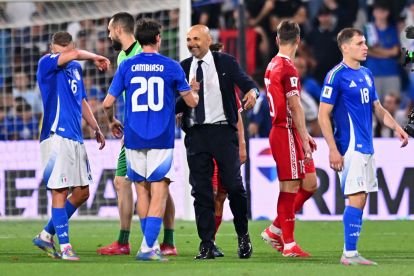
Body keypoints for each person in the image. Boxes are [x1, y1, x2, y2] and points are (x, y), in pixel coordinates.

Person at [103, 18, 199, 261]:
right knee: (160, 192)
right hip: (161, 138)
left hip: (133, 138)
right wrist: (193, 91)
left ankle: (149, 245)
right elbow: (191, 102)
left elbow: (106, 103)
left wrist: (112, 120)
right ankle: (148, 247)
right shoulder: (172, 66)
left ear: (138, 38)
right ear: (158, 38)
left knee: (142, 192)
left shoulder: (126, 65)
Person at [318, 27, 408, 266]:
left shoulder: (367, 73)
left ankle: (351, 252)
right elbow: (322, 115)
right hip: (349, 147)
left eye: (365, 42)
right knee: (356, 197)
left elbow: (377, 107)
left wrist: (396, 127)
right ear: (345, 47)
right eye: (360, 43)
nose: (366, 47)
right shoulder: (336, 75)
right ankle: (349, 255)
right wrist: (332, 149)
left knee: (361, 198)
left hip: (367, 146)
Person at [180, 24, 257, 260]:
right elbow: (175, 106)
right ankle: (206, 243)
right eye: (188, 39)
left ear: (207, 39)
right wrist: (187, 96)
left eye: (196, 38)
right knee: (201, 192)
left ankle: (243, 236)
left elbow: (247, 83)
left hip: (223, 134)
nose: (191, 43)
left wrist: (253, 93)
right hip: (196, 135)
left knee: (233, 186)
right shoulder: (183, 68)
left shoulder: (225, 62)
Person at [32, 31, 109, 261]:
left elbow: (81, 99)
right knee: (60, 191)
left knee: (82, 193)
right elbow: (74, 54)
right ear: (52, 48)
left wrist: (95, 127)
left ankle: (46, 234)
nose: (64, 55)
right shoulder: (46, 62)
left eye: (66, 50)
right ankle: (65, 247)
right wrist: (96, 56)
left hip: (76, 137)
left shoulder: (75, 68)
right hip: (56, 136)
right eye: (60, 51)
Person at [260, 20, 317, 258]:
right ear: (298, 41)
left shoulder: (272, 64)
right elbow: (295, 105)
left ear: (276, 39)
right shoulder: (288, 68)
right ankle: (289, 243)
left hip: (287, 131)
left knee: (310, 184)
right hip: (285, 130)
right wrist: (304, 137)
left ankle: (275, 229)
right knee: (290, 186)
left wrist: (303, 135)